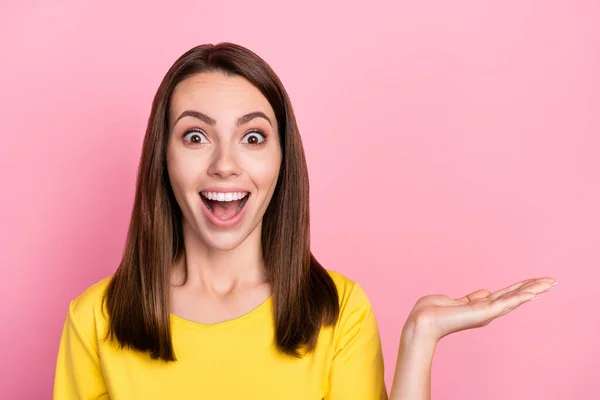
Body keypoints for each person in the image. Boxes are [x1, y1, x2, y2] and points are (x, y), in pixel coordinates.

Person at [53, 42, 557, 400]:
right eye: (195, 136)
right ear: (162, 157)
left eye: (252, 137)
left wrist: (420, 337)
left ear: (282, 160)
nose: (225, 164)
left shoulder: (340, 313)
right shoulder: (93, 321)